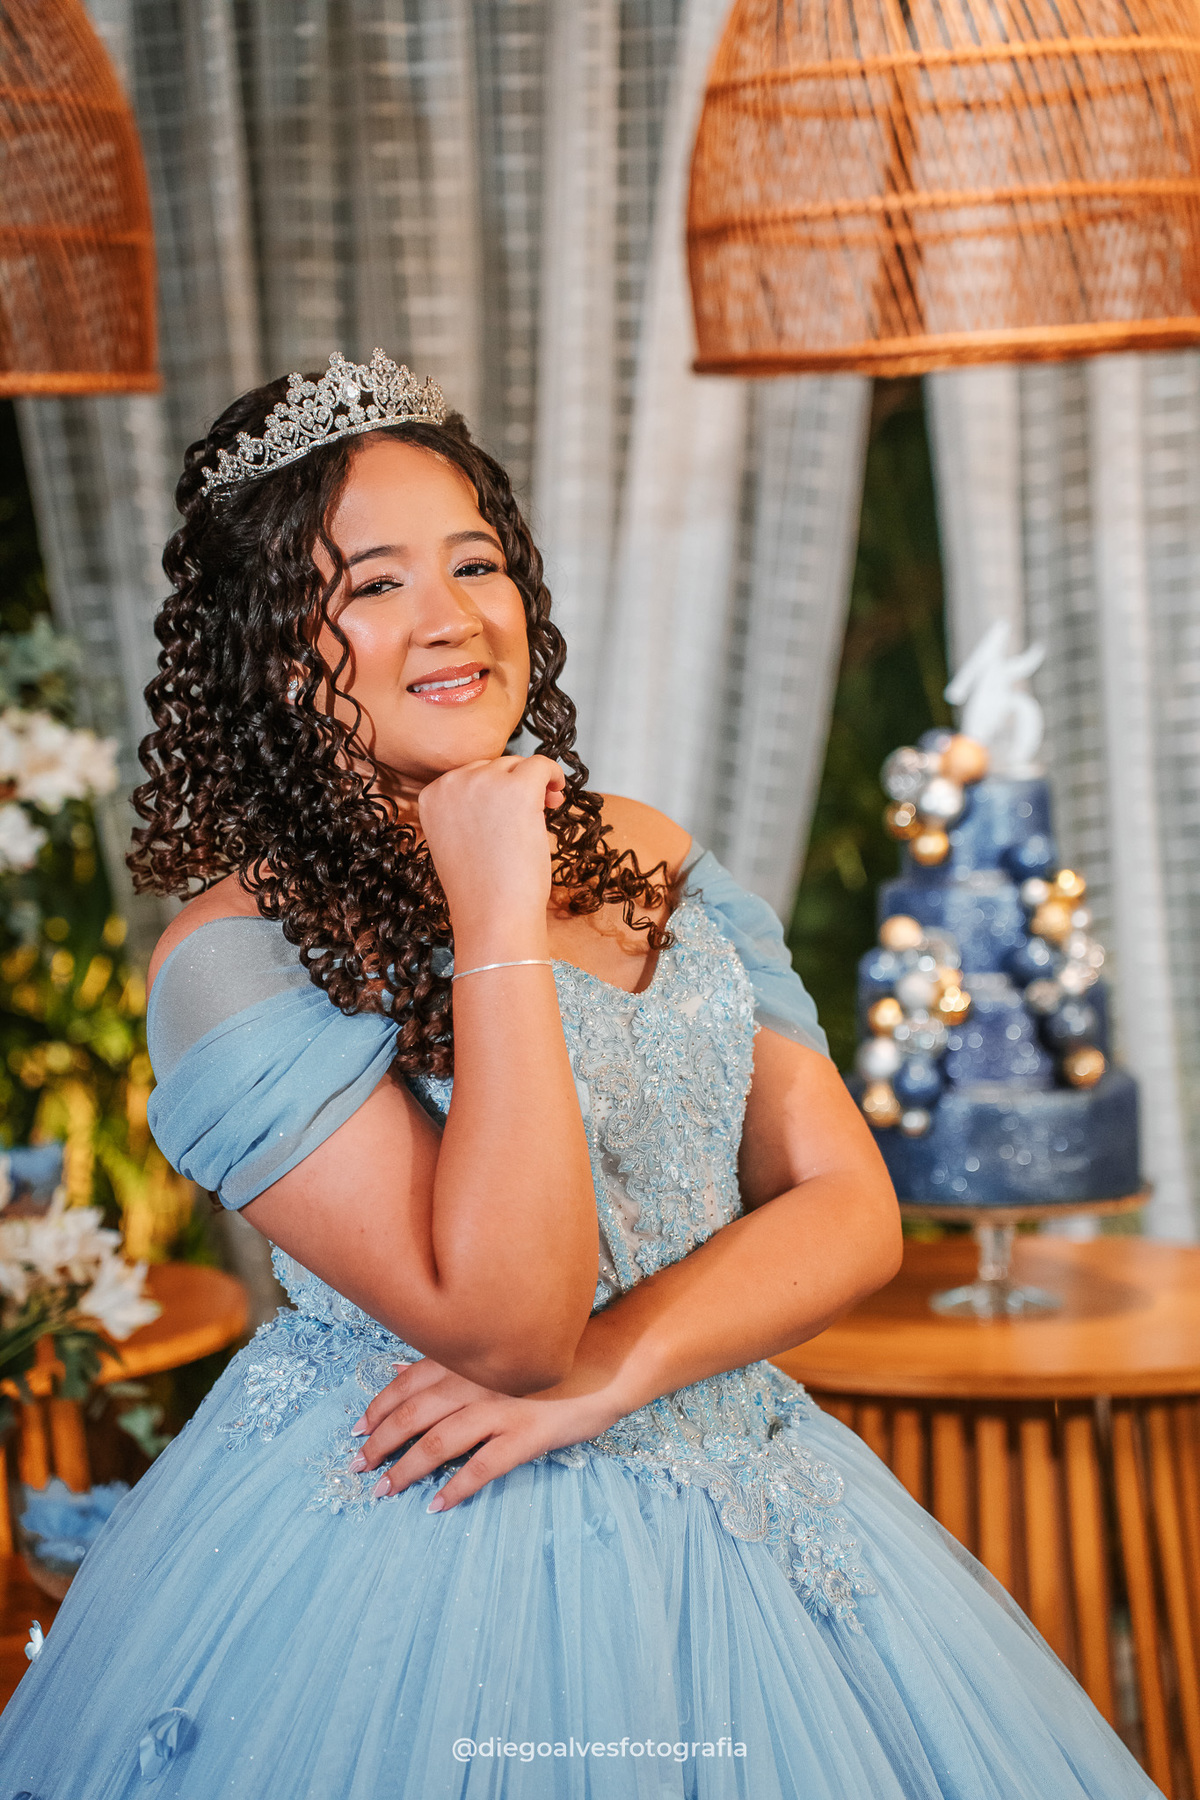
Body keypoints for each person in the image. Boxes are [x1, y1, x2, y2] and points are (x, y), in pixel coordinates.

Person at [0, 352, 1161, 1800]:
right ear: (275, 649)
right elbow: (510, 1326)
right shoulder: (231, 961)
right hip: (415, 1544)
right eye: (374, 584)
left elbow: (849, 1207)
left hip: (747, 1497)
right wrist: (494, 913)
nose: (452, 616)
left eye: (475, 561)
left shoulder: (647, 852)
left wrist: (612, 1375)